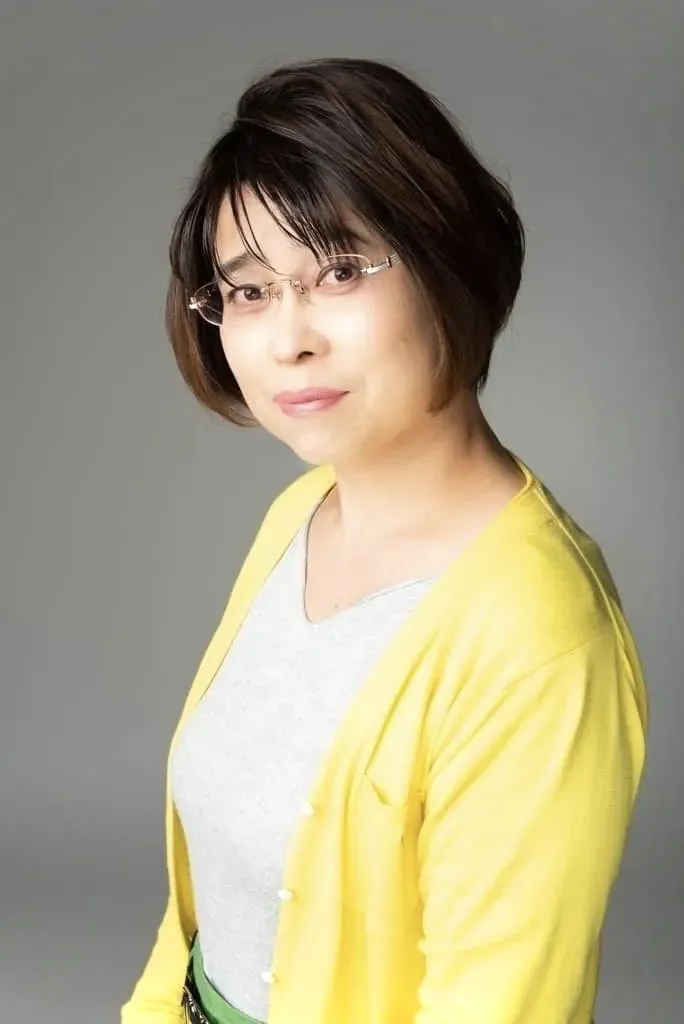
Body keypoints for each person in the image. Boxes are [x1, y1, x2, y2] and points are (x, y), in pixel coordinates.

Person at [120, 57, 648, 1024]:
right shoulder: (299, 516)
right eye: (249, 291)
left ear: (448, 259)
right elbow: (204, 913)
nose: (290, 339)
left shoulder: (538, 635)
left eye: (339, 272)